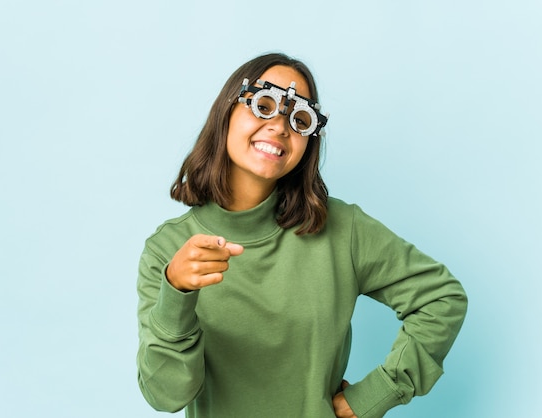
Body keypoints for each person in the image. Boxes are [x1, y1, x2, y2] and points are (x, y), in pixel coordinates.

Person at [136, 52, 467, 418]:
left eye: (300, 118)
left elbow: (442, 298)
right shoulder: (167, 252)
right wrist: (176, 290)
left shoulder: (341, 230)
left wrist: (379, 392)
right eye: (264, 104)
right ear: (226, 113)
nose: (280, 126)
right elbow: (166, 396)